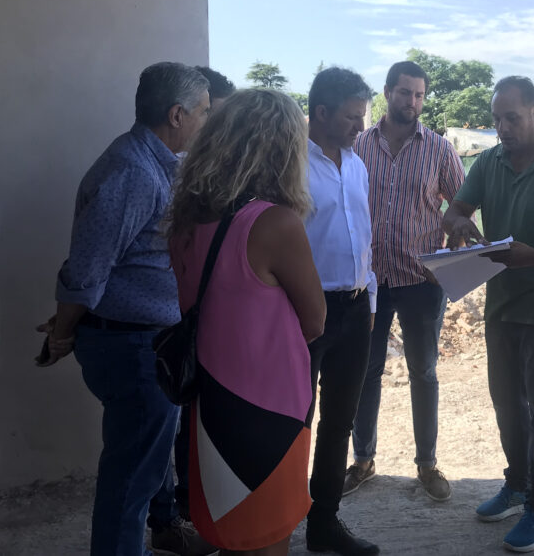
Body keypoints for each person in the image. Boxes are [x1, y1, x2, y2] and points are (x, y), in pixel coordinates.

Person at [37, 62, 216, 556]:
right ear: (177, 115)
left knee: (144, 463)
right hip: (131, 344)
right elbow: (87, 269)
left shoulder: (156, 164)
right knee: (131, 479)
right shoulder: (133, 172)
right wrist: (64, 331)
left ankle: (151, 535)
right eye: (203, 112)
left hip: (142, 339)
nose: (207, 122)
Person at [165, 88, 325, 556]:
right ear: (282, 150)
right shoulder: (274, 224)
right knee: (266, 537)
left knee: (232, 531)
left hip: (211, 400)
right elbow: (315, 320)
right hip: (270, 407)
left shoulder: (186, 223)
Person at [443, 76, 534, 553]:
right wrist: (458, 222)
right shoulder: (489, 162)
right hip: (501, 306)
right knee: (507, 404)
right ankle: (517, 485)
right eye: (496, 119)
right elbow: (455, 209)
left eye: (511, 118)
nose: (502, 128)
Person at [346, 61, 464, 501]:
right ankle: (363, 460)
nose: (411, 101)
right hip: (367, 281)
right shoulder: (358, 145)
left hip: (422, 281)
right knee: (365, 371)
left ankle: (427, 465)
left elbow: (461, 205)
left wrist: (450, 250)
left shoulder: (439, 150)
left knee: (424, 372)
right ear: (387, 92)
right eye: (404, 92)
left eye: (419, 95)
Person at [303, 67, 381, 556]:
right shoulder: (290, 166)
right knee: (294, 420)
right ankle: (274, 520)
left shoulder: (356, 164)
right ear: (321, 112)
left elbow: (363, 235)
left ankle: (323, 523)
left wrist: (368, 297)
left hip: (354, 310)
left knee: (338, 423)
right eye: (352, 117)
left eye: (362, 116)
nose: (360, 126)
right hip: (305, 309)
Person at [171, 65, 236, 520]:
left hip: (206, 324)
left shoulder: (222, 175)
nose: (221, 129)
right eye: (213, 115)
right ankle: (180, 514)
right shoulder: (173, 173)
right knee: (178, 420)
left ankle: (191, 510)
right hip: (174, 326)